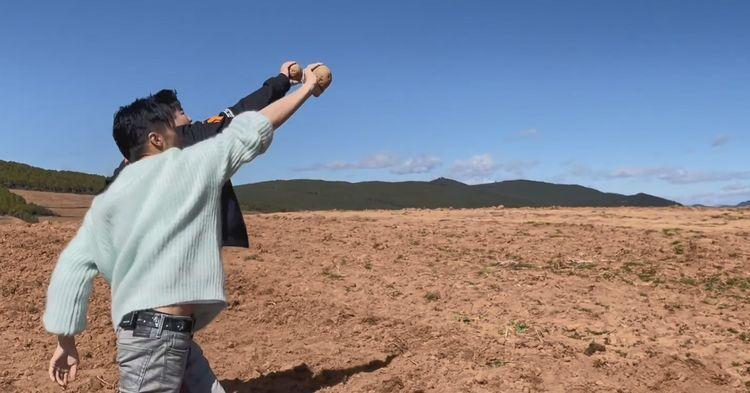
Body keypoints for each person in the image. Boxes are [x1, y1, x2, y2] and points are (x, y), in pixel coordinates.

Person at [44, 63, 325, 392]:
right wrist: (306, 88)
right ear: (156, 139)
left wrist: (65, 342)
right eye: (175, 125)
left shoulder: (107, 201)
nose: (187, 127)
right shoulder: (189, 165)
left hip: (163, 333)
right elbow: (257, 125)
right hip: (155, 337)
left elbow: (69, 271)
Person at [108, 61, 300, 248]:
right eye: (182, 112)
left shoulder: (128, 167)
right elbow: (242, 110)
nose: (190, 118)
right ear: (164, 121)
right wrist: (283, 80)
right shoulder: (192, 136)